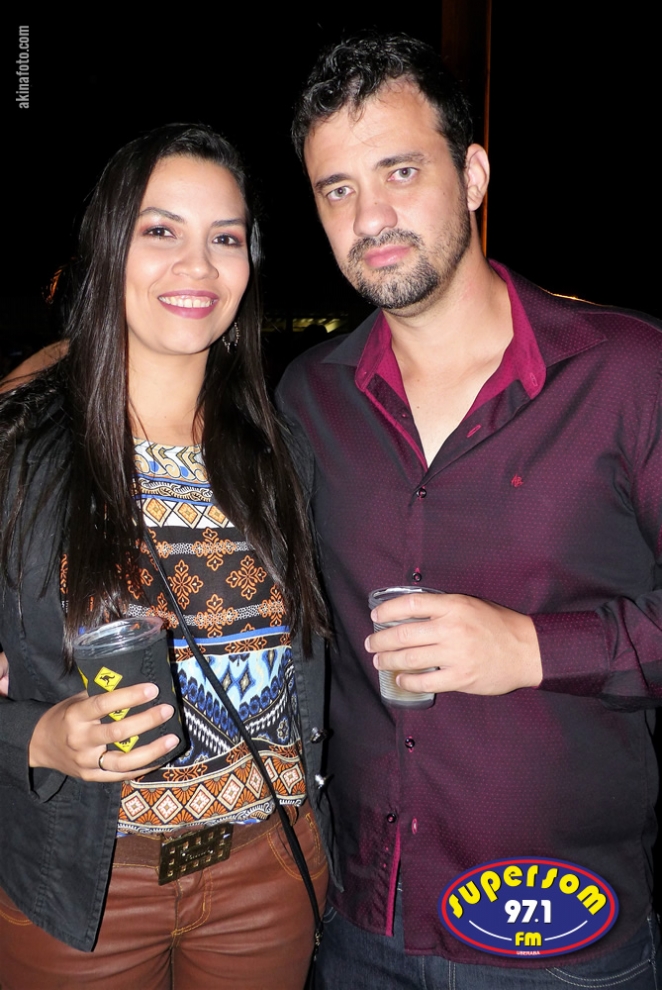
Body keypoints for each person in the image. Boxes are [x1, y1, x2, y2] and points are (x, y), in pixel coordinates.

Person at [278, 32, 662, 989]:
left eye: (401, 171)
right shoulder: (308, 399)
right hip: (360, 923)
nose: (371, 216)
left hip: (557, 935)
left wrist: (534, 649)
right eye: (337, 189)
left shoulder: (630, 374)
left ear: (475, 174)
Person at [0, 123, 328, 990]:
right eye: (161, 230)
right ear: (110, 248)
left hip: (268, 871)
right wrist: (34, 735)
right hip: (82, 884)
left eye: (225, 238)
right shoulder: (20, 448)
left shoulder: (285, 450)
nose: (198, 264)